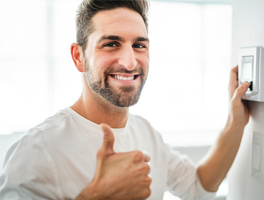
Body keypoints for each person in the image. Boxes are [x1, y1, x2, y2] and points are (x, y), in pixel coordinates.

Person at [0, 0, 250, 199]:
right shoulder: (36, 151)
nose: (130, 62)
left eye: (139, 45)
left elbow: (197, 188)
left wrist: (235, 123)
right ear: (78, 57)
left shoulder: (146, 133)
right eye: (110, 44)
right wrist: (97, 197)